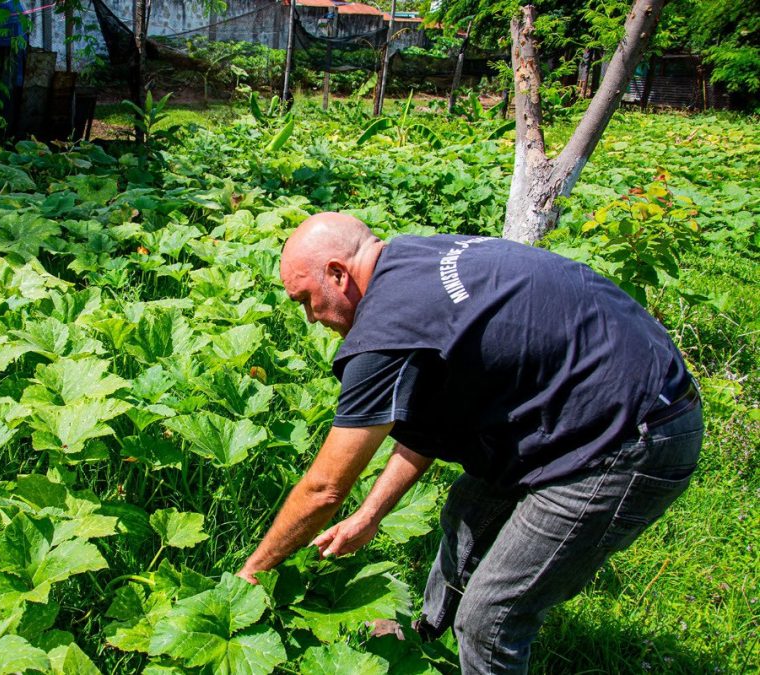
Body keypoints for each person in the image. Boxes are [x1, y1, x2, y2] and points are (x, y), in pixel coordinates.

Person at [236, 212, 703, 674]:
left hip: (631, 436)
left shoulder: (386, 331)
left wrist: (251, 575)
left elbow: (324, 489)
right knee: (467, 514)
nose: (311, 319)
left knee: (491, 618)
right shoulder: (410, 259)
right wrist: (371, 514)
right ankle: (426, 643)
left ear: (338, 275)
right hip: (597, 396)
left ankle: (471, 649)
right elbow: (431, 422)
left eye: (306, 300)